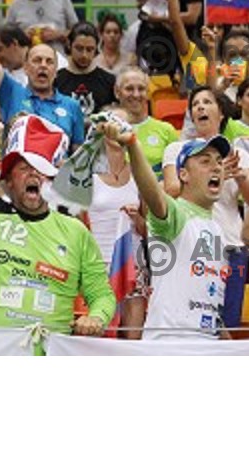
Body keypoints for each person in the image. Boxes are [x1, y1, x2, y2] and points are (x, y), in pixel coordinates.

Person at [0, 113, 116, 334]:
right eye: (24, 168)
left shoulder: (75, 230)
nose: (34, 174)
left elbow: (102, 294)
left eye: (42, 169)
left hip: (50, 353)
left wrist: (96, 317)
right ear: (8, 180)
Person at [99, 118, 233, 340]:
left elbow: (212, 305)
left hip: (206, 346)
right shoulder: (176, 213)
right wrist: (133, 145)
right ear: (183, 175)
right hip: (170, 344)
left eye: (219, 161)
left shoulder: (217, 230)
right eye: (205, 161)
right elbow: (153, 194)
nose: (216, 166)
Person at [162, 85, 249, 329]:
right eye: (195, 104)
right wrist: (211, 173)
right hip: (191, 246)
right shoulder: (176, 149)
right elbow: (170, 191)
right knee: (190, 321)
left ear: (221, 113)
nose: (200, 107)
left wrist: (240, 176)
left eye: (208, 102)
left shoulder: (239, 155)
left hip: (231, 247)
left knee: (228, 326)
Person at [0, 0, 83, 152]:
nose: (43, 66)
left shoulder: (72, 106)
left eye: (49, 62)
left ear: (56, 71)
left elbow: (78, 155)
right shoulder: (11, 92)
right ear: (26, 67)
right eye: (37, 60)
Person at [85, 106, 147, 338]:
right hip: (97, 265)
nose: (117, 129)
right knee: (100, 341)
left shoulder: (141, 173)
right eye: (112, 123)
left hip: (134, 264)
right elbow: (78, 226)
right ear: (100, 129)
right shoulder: (86, 175)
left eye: (123, 125)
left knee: (133, 343)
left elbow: (150, 230)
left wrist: (138, 218)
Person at [114, 67, 179, 179]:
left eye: (141, 89)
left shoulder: (166, 130)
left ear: (148, 92)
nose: (136, 94)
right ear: (117, 92)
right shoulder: (110, 129)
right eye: (129, 89)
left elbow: (177, 175)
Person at [55, 22, 116, 118]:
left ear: (96, 49)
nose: (84, 55)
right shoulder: (56, 80)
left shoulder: (109, 81)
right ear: (69, 45)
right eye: (79, 48)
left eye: (89, 49)